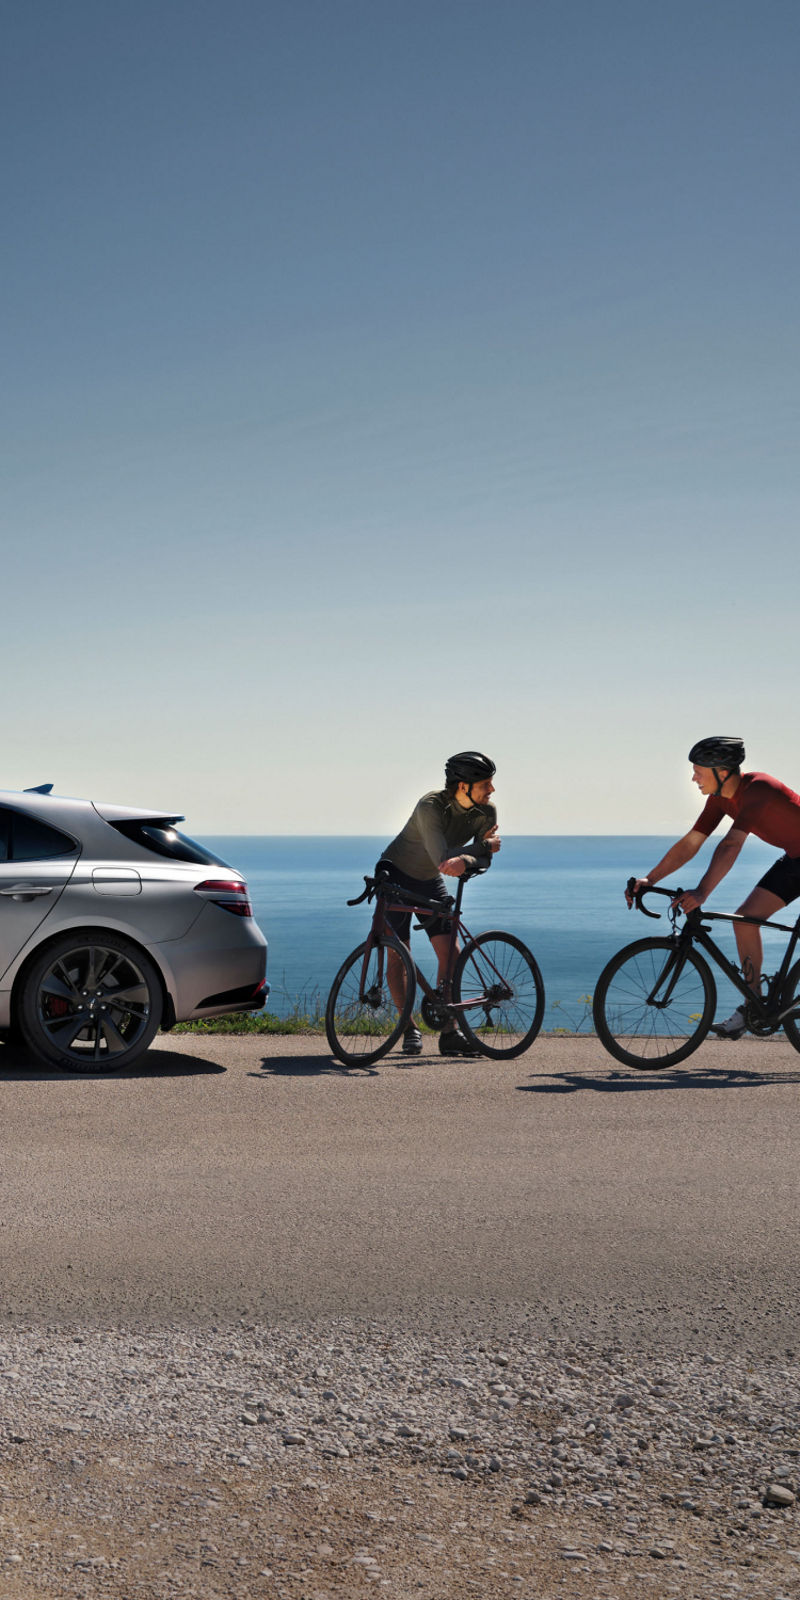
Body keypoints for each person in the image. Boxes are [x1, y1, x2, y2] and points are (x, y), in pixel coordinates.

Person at [628, 737, 800, 1038]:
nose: (693, 778)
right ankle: (753, 1006)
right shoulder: (720, 800)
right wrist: (651, 879)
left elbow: (732, 843)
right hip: (797, 859)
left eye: (698, 771)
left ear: (722, 771)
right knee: (745, 922)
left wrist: (703, 891)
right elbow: (692, 842)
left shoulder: (759, 788)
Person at [377, 752, 501, 1055]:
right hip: (396, 873)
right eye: (486, 784)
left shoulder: (486, 812)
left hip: (429, 879)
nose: (492, 790)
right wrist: (479, 847)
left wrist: (469, 856)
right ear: (463, 786)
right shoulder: (431, 806)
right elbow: (443, 858)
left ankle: (450, 1030)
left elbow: (482, 860)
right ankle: (409, 1030)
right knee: (398, 955)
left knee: (452, 952)